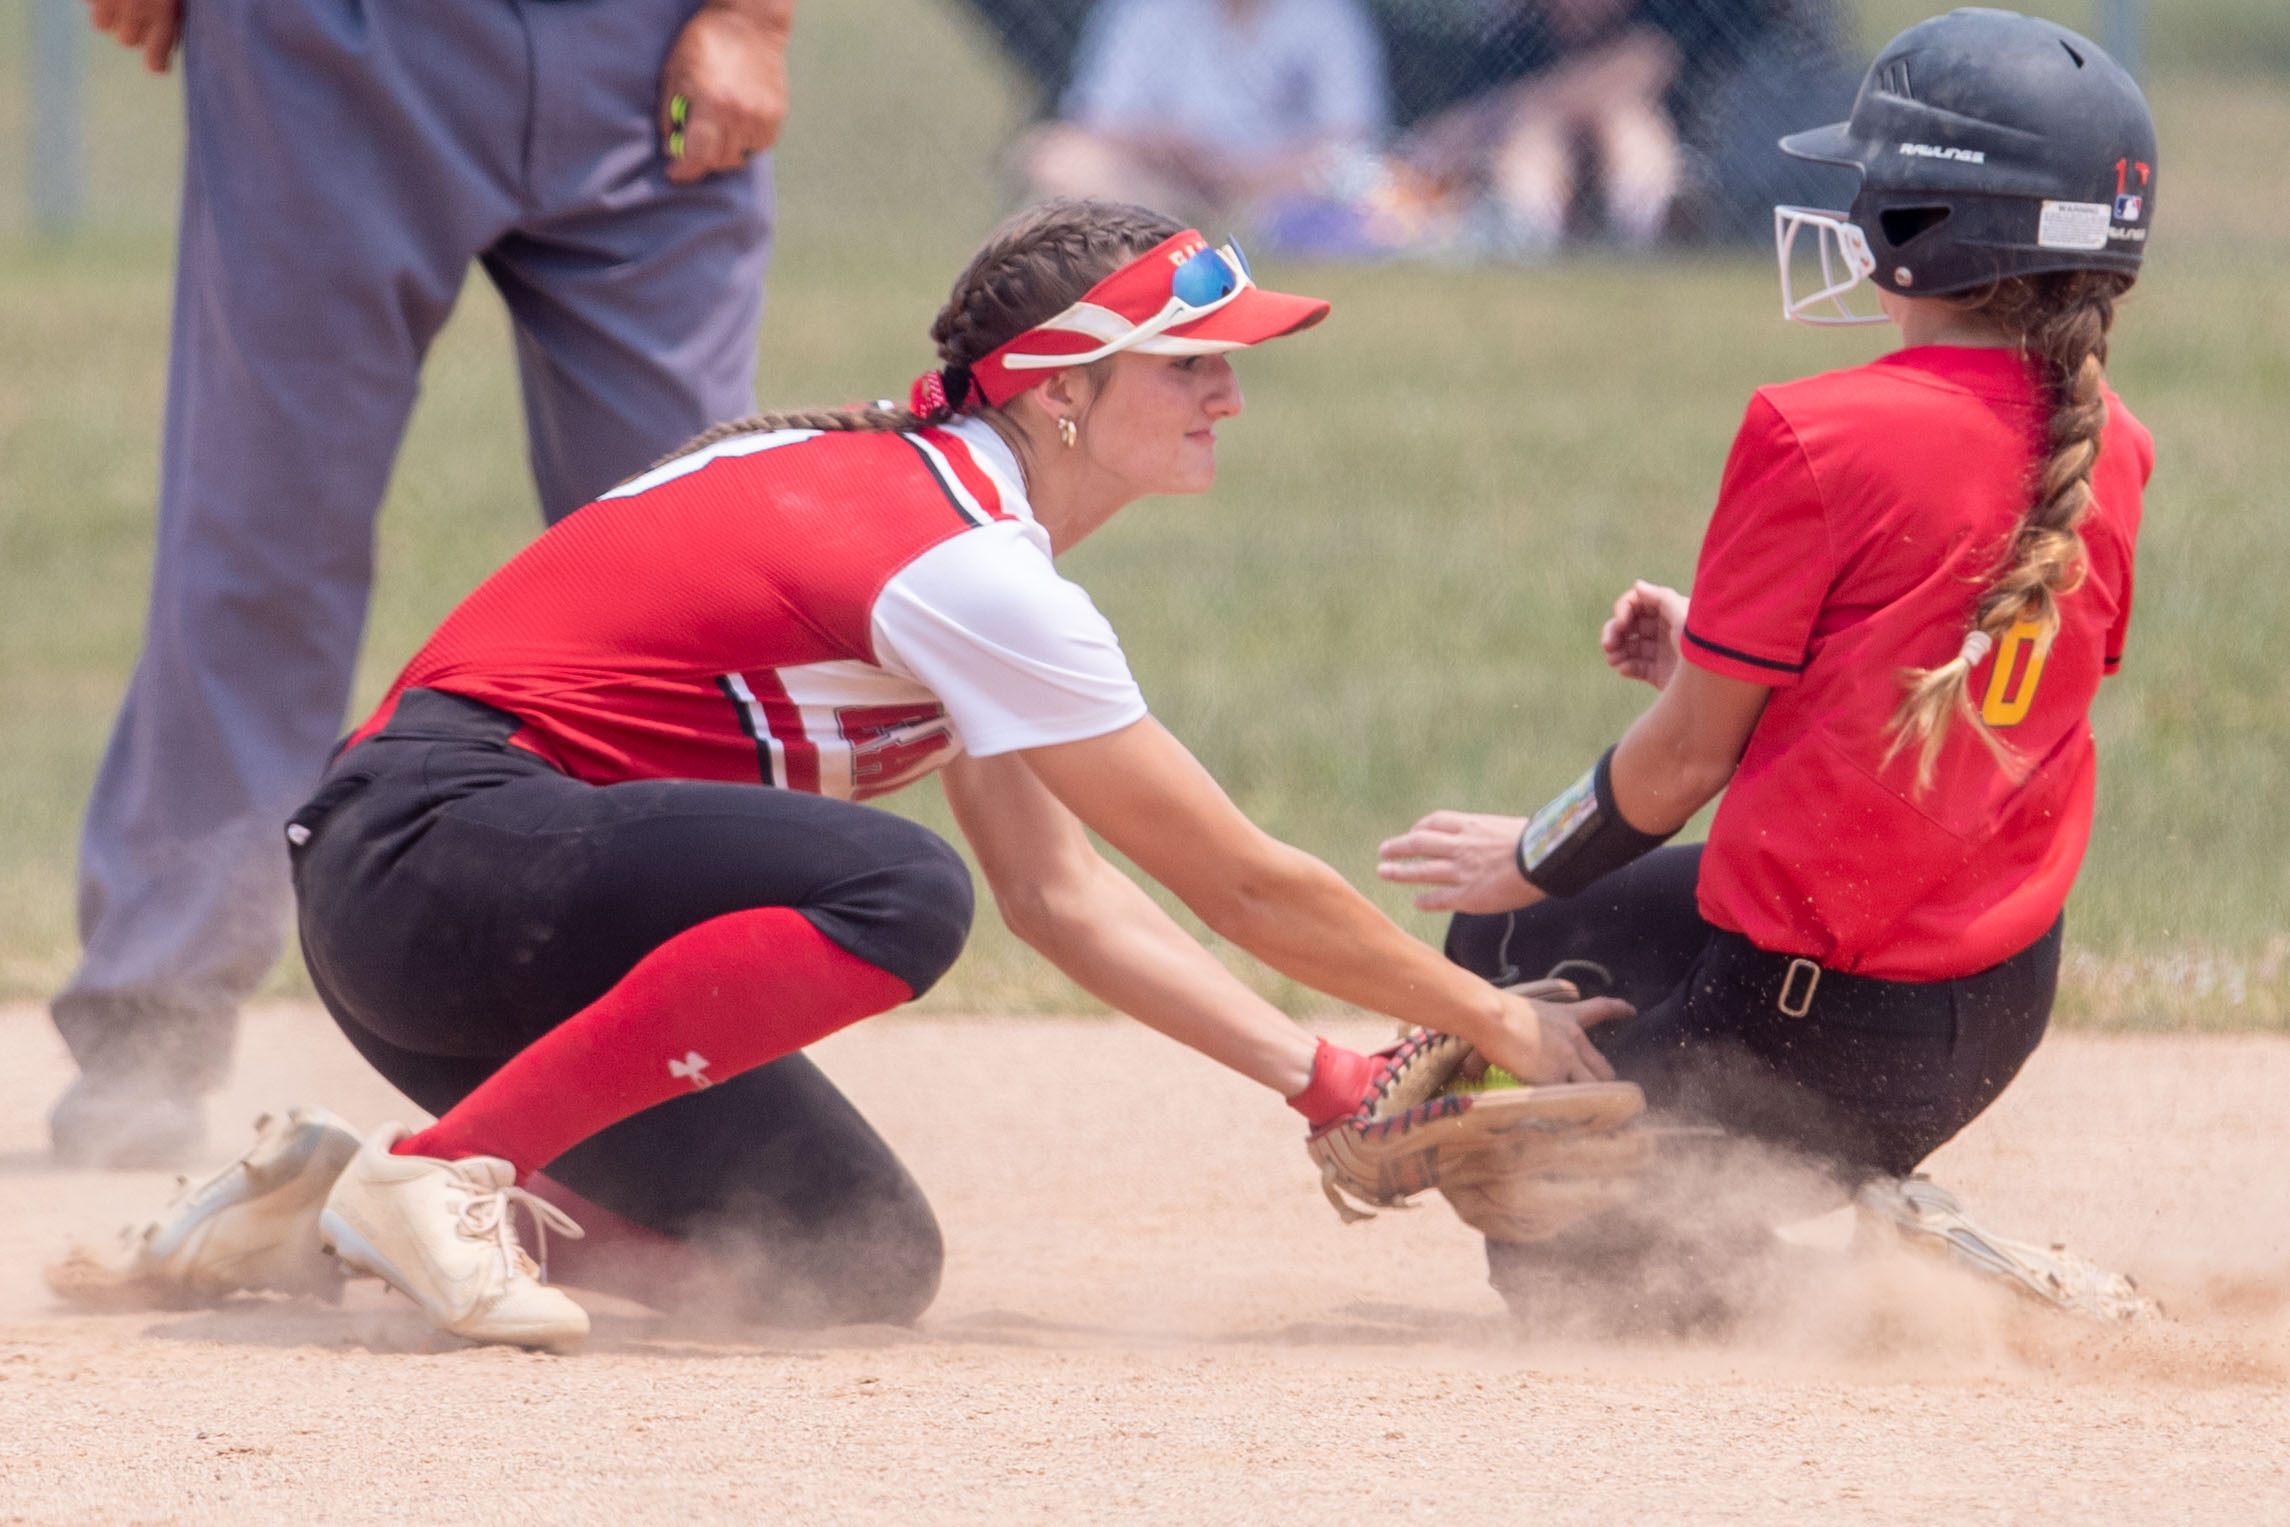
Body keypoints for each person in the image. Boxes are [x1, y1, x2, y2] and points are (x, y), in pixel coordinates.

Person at [60, 200, 1629, 1350]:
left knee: (847, 1260)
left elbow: (1063, 898)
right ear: (1060, 390)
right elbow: (1234, 877)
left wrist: (1331, 1078)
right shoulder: (957, 559)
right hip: (438, 858)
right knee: (895, 885)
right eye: (1187, 364)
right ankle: (451, 1168)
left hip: (469, 928)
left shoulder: (953, 529)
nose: (1228, 392)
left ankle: (334, 1215)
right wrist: (1486, 1016)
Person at [1376, 11, 2158, 1315]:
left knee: (1541, 1196)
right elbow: (1968, 693)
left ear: (1914, 222)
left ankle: (1864, 1286)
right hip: (1988, 1008)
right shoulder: (2110, 441)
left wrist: (1531, 841)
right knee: (1527, 932)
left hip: (1807, 1028)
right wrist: (1725, 653)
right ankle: (1836, 1181)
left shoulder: (1818, 430)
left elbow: (1681, 758)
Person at [54, 0, 795, 1168]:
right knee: (263, 546)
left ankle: (691, 1044)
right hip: (335, 48)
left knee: (690, 572)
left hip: (642, 50)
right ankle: (151, 1026)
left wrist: (753, 13)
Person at [1022, 0, 1389, 227]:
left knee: (1358, 175)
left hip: (1272, 190)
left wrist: (1238, 171)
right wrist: (1161, 143)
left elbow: (1354, 136)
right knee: (1056, 156)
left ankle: (1178, 239)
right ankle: (1176, 233)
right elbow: (1097, 120)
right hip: (1163, 183)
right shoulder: (1144, 10)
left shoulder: (1326, 14)